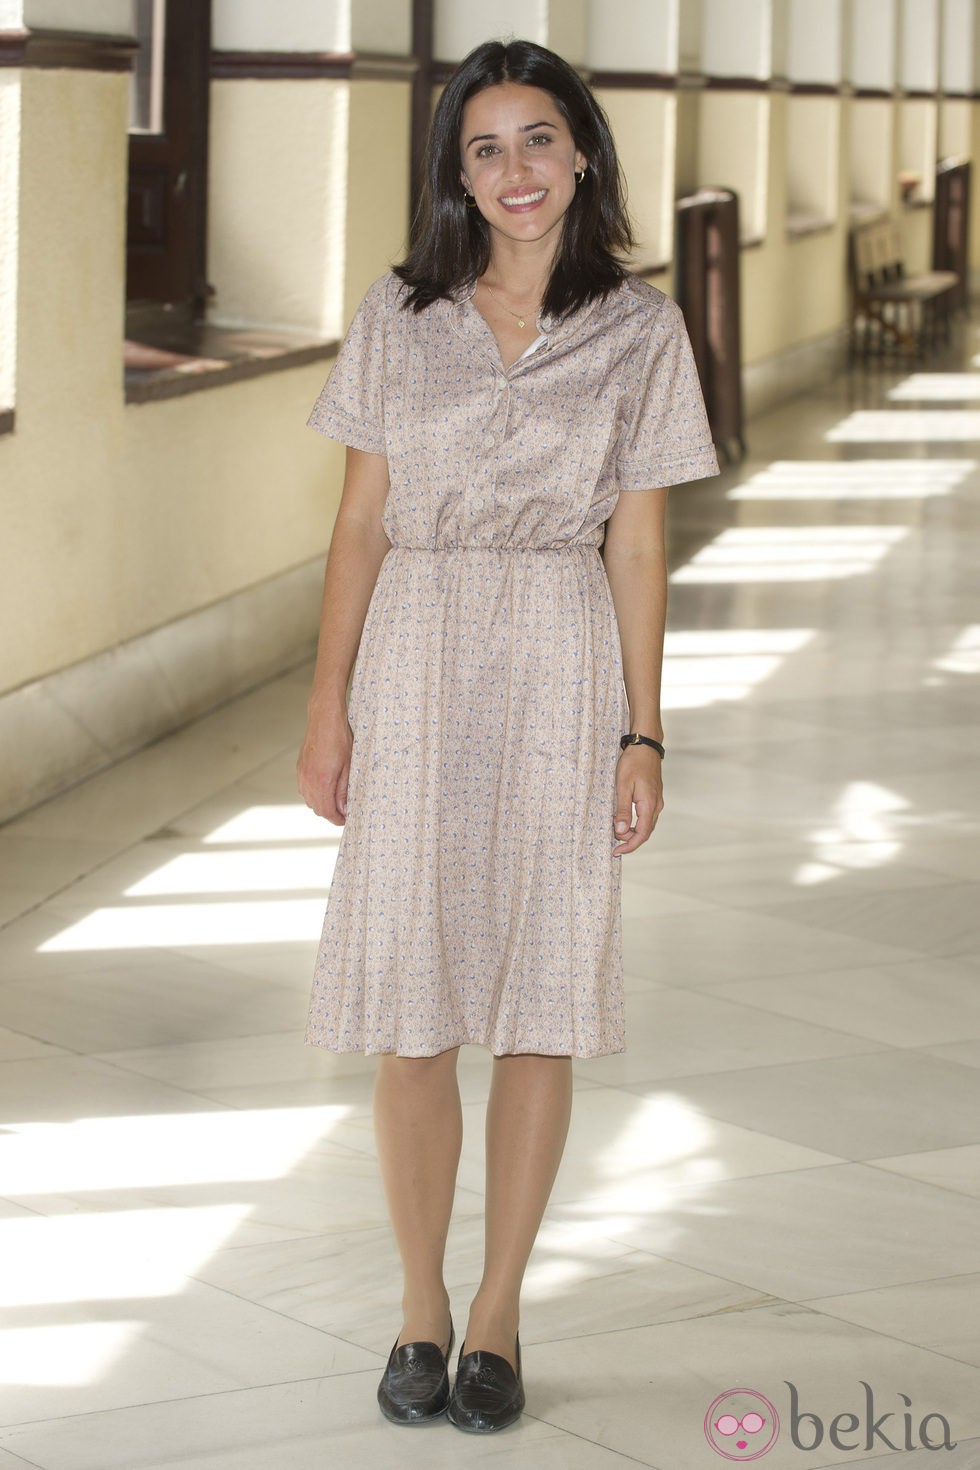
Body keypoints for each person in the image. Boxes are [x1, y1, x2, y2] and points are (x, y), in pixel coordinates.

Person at [296, 37, 718, 1434]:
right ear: (455, 174)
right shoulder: (397, 314)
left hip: (558, 652)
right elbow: (360, 522)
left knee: (537, 995)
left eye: (539, 139)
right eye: (485, 148)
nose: (515, 170)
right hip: (416, 654)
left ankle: (496, 1312)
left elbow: (643, 547)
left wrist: (642, 733)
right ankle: (419, 1301)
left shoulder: (641, 330)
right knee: (413, 1004)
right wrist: (325, 704)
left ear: (583, 151)